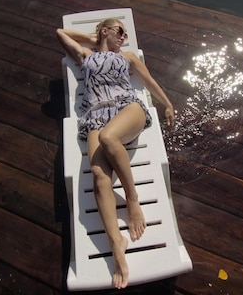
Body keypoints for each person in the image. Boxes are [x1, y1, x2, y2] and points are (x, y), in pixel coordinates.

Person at [57, 18, 174, 289]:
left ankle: (132, 199)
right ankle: (116, 244)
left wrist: (167, 104)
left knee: (109, 138)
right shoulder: (86, 56)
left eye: (125, 33)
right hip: (95, 115)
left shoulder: (129, 57)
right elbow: (60, 32)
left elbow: (149, 81)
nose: (124, 37)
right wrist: (96, 38)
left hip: (126, 109)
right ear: (106, 31)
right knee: (99, 176)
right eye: (120, 31)